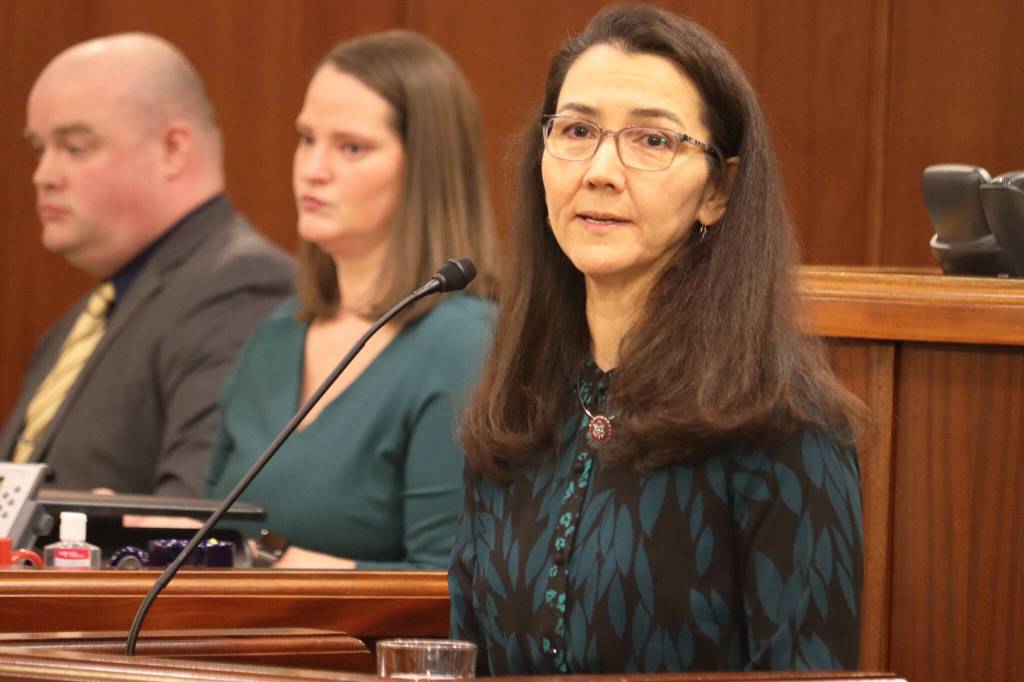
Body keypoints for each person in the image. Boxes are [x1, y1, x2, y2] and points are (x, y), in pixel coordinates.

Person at [451, 5, 866, 674]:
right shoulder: (515, 411)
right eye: (578, 130)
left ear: (718, 191)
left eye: (651, 141)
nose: (601, 170)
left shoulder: (784, 426)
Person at [205, 31, 495, 570]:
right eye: (306, 138)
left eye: (351, 147)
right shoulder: (276, 332)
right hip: (223, 642)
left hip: (364, 655)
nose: (312, 169)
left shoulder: (463, 344)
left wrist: (277, 560)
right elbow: (220, 531)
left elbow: (445, 587)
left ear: (424, 169)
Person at [1, 34, 293, 496]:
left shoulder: (242, 288)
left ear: (173, 149)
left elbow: (194, 523)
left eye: (74, 147)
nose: (43, 176)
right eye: (40, 149)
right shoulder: (80, 320)